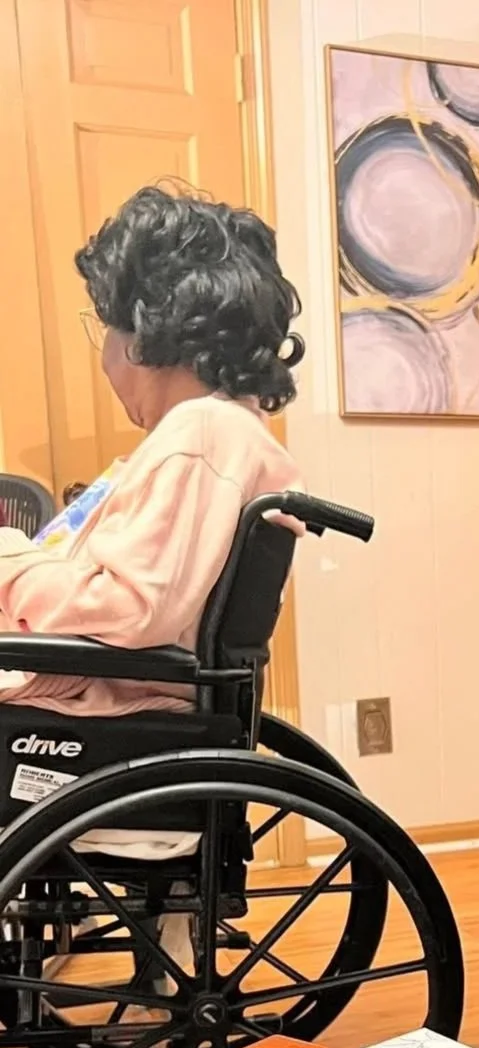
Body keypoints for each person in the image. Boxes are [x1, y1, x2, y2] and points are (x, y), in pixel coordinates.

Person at [0, 185, 303, 718]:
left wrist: (11, 561)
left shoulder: (202, 435)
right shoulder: (218, 434)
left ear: (144, 335)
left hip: (109, 715)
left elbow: (131, 609)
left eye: (107, 332)